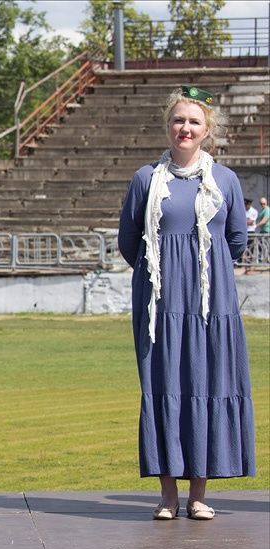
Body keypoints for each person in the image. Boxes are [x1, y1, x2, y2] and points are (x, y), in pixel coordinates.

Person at [117, 86, 256, 521]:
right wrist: (165, 277)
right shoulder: (146, 179)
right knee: (163, 387)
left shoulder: (226, 180)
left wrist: (203, 271)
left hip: (212, 306)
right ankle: (167, 494)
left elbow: (235, 240)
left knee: (207, 384)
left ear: (207, 130)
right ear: (168, 125)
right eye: (179, 120)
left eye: (194, 121)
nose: (185, 128)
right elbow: (128, 241)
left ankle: (198, 493)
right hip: (160, 306)